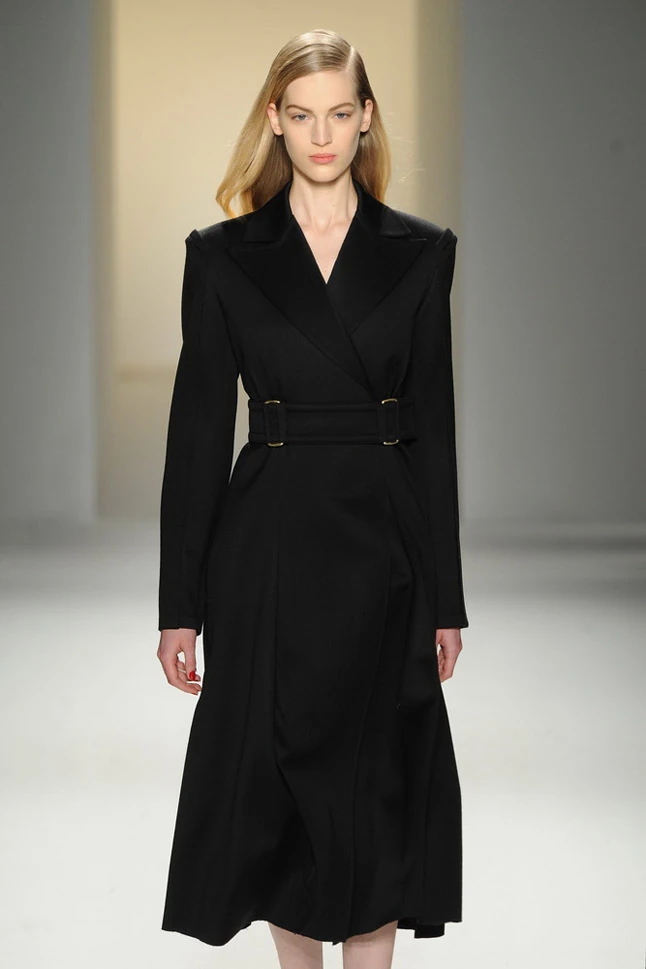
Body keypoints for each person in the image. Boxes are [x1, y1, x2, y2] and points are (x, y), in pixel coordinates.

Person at [157, 27, 469, 969]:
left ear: (366, 117)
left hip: (384, 538)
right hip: (270, 543)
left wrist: (447, 598)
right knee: (277, 781)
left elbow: (435, 428)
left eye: (339, 113)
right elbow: (197, 436)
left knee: (378, 779)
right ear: (275, 121)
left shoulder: (421, 253)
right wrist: (180, 607)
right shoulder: (222, 257)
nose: (322, 135)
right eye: (302, 116)